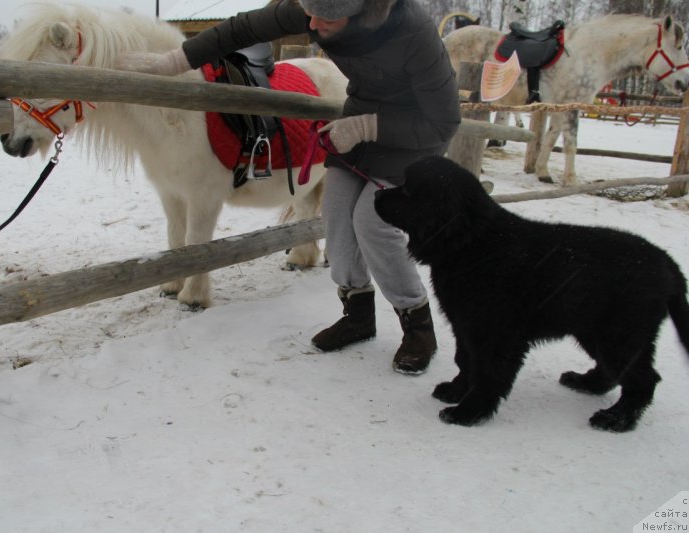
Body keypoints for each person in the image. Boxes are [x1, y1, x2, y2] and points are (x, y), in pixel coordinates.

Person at [117, 0, 461, 375]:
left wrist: (366, 128)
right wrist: (174, 61)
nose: (311, 23)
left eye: (324, 18)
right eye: (309, 12)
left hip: (413, 133)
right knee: (335, 215)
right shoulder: (314, 8)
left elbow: (444, 121)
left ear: (362, 11)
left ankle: (417, 324)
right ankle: (358, 313)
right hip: (358, 119)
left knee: (372, 222)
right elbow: (240, 29)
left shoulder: (413, 32)